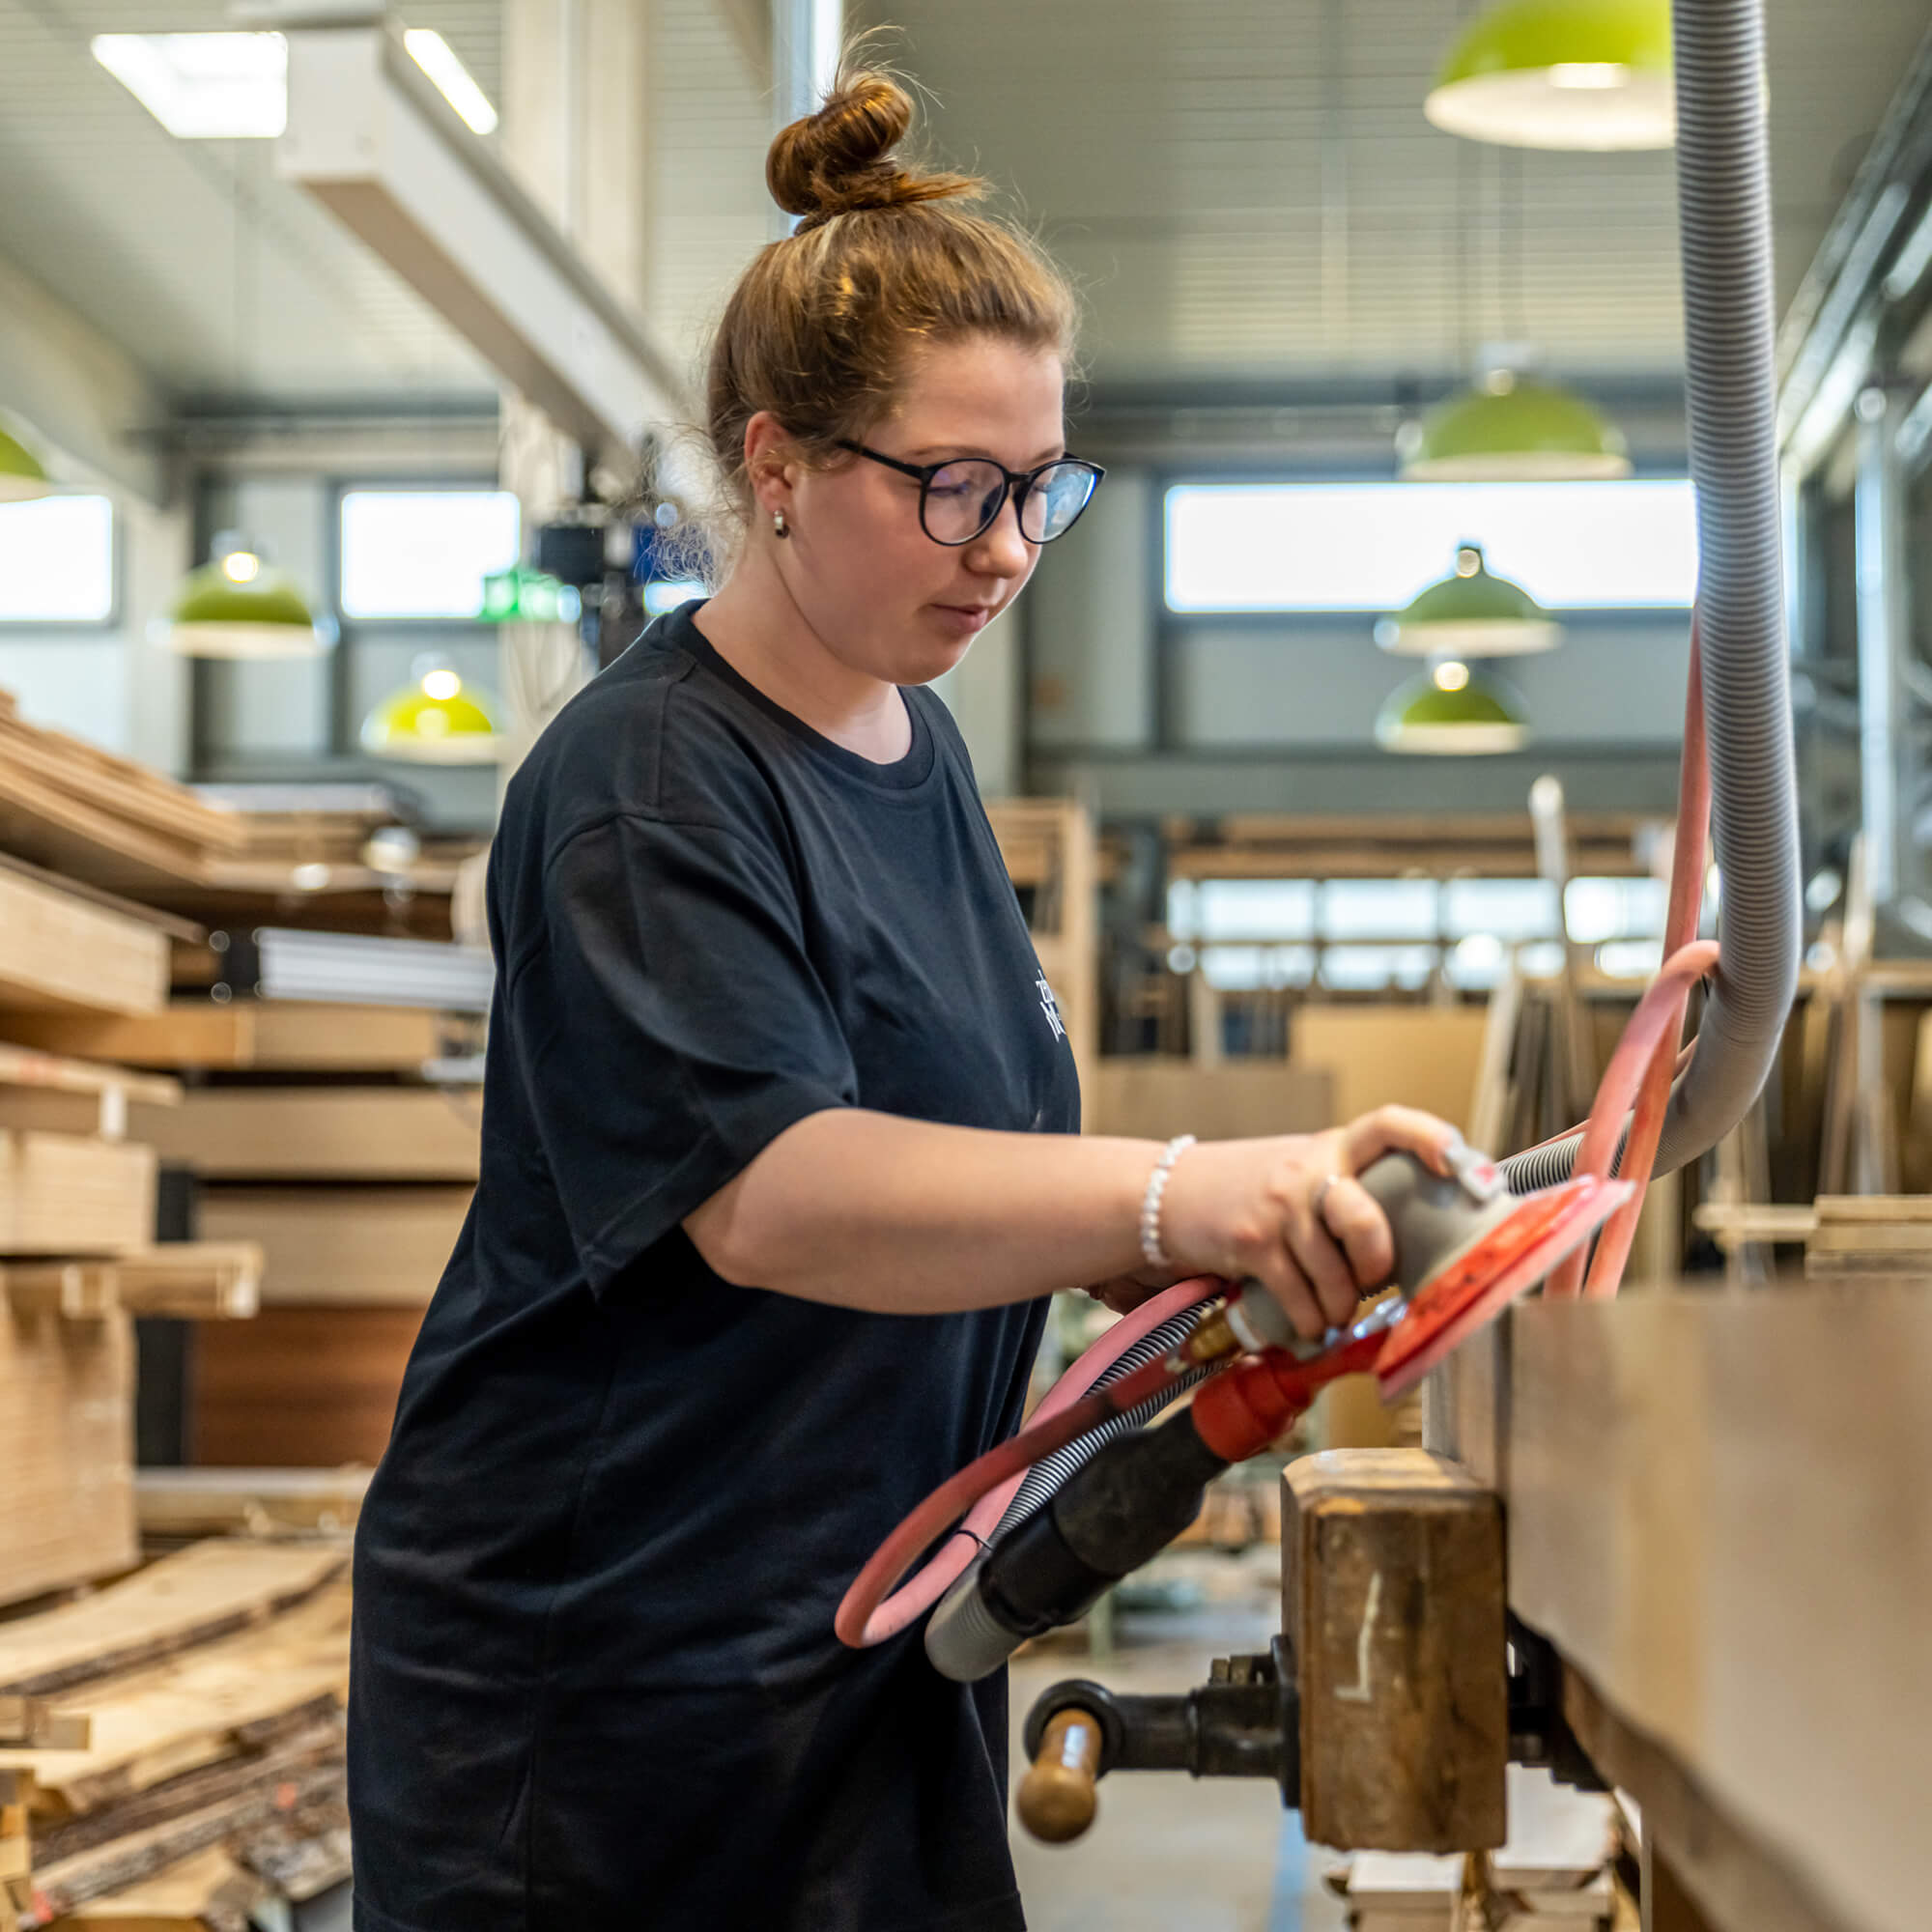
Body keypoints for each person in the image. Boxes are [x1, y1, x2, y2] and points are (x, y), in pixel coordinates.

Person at [347, 64, 1459, 1932]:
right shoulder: (646, 780)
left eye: (1039, 489)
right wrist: (1185, 1187)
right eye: (953, 486)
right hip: (613, 1688)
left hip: (863, 1647)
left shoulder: (919, 749)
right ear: (774, 467)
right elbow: (780, 1193)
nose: (1008, 547)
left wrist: (1211, 1249)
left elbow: (976, 1152)